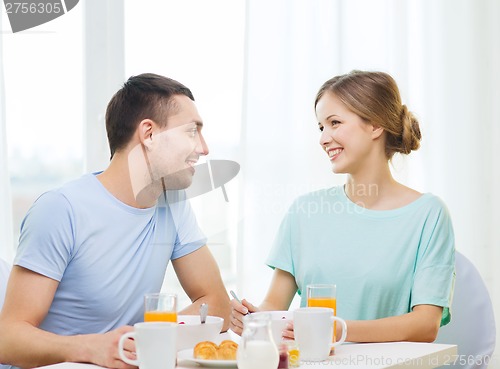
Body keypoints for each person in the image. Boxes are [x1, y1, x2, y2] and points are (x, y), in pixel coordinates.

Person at [0, 73, 231, 369]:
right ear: (148, 134)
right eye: (191, 132)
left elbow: (217, 304)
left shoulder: (173, 205)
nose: (204, 148)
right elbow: (8, 338)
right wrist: (90, 347)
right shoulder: (61, 209)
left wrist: (143, 341)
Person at [230, 70, 455, 343]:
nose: (324, 138)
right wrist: (253, 319)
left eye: (334, 123)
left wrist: (340, 330)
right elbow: (274, 307)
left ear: (375, 125)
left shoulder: (427, 215)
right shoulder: (305, 211)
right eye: (321, 127)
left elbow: (425, 325)